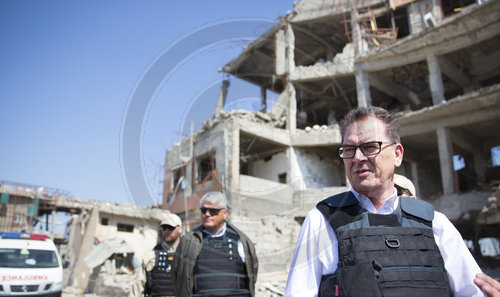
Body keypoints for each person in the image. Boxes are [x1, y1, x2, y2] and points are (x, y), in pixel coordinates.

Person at [285, 106, 485, 297]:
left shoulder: (436, 224)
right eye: (348, 150)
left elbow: (473, 292)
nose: (357, 157)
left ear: (397, 154)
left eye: (370, 147)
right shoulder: (320, 222)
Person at [172, 191, 259, 297]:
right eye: (204, 210)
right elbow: (177, 274)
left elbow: (252, 273)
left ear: (225, 213)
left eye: (213, 211)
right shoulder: (189, 241)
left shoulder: (242, 241)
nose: (207, 214)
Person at [142, 213, 183, 297]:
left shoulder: (188, 254)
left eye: (170, 228)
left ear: (180, 229)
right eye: (164, 228)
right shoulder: (151, 255)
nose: (166, 231)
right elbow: (139, 284)